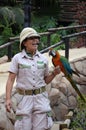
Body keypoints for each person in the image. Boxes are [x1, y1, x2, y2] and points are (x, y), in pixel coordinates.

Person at [5, 27, 61, 130]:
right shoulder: (17, 58)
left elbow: (45, 80)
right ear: (24, 42)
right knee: (23, 127)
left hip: (41, 98)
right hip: (24, 99)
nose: (36, 41)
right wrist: (8, 99)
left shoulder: (44, 59)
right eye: (32, 38)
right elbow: (10, 80)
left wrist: (53, 74)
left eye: (37, 38)